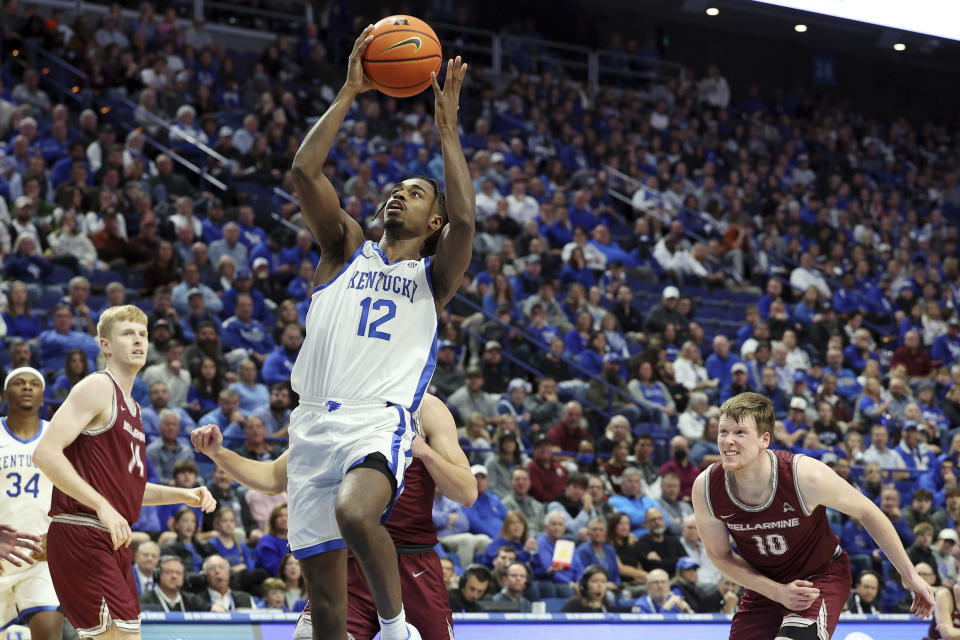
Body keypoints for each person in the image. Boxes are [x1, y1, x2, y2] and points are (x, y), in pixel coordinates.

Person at [285, 25, 473, 639]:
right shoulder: (344, 248)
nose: (399, 195)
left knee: (355, 513)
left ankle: (397, 629)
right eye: (395, 189)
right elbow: (303, 173)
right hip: (311, 421)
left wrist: (447, 132)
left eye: (415, 194)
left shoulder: (432, 277)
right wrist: (348, 92)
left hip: (377, 418)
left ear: (434, 219)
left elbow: (468, 220)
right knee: (327, 613)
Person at [191, 393, 476, 640]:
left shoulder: (425, 409)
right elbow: (273, 477)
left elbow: (467, 492)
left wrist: (426, 454)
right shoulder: (337, 408)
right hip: (351, 561)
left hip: (413, 564)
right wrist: (218, 453)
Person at [32, 305, 217, 639]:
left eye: (143, 334)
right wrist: (103, 506)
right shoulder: (97, 388)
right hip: (82, 530)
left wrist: (183, 495)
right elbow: (45, 453)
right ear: (105, 345)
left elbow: (126, 490)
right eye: (128, 333)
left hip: (113, 537)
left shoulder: (134, 409)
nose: (139, 341)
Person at [692, 392, 934, 640]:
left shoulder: (804, 475)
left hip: (819, 578)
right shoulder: (706, 488)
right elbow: (719, 555)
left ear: (765, 439)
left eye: (740, 433)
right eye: (723, 432)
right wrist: (777, 591)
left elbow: (867, 511)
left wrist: (909, 574)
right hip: (764, 586)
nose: (728, 441)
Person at [0, 367, 63, 640]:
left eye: (34, 384)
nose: (27, 387)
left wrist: (62, 534)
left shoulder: (59, 439)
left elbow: (79, 494)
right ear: (5, 394)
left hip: (41, 558)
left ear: (42, 398)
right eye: (18, 383)